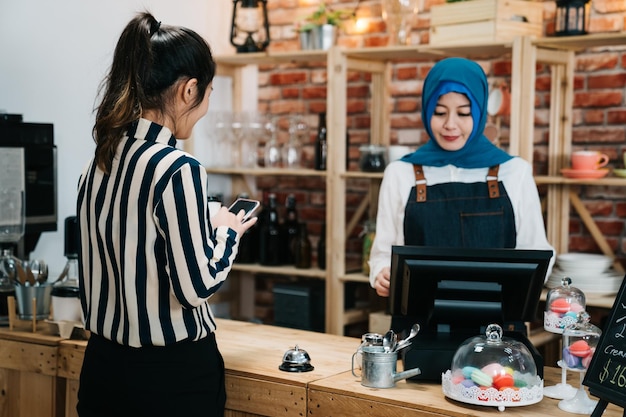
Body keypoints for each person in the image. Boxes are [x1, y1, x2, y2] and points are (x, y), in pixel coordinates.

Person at [76, 12, 256, 417]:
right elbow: (195, 287)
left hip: (101, 367)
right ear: (189, 90)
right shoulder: (179, 169)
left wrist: (197, 223)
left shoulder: (99, 161)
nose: (207, 104)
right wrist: (228, 232)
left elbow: (129, 244)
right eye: (208, 93)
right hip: (170, 377)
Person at [369, 57, 554, 298]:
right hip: (417, 324)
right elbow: (382, 254)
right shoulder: (400, 173)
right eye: (439, 112)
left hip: (497, 326)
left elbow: (538, 254)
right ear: (426, 111)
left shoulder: (514, 172)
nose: (450, 125)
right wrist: (381, 273)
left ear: (479, 112)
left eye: (464, 113)